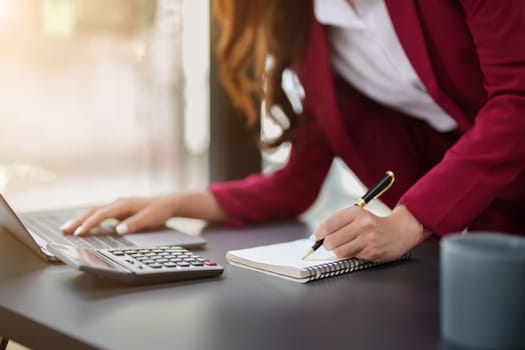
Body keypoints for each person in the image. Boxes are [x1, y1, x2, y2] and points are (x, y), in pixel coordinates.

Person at [62, 0, 525, 262]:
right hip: (487, 234)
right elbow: (296, 181)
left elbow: (518, 99)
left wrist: (409, 220)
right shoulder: (310, 30)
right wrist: (177, 203)